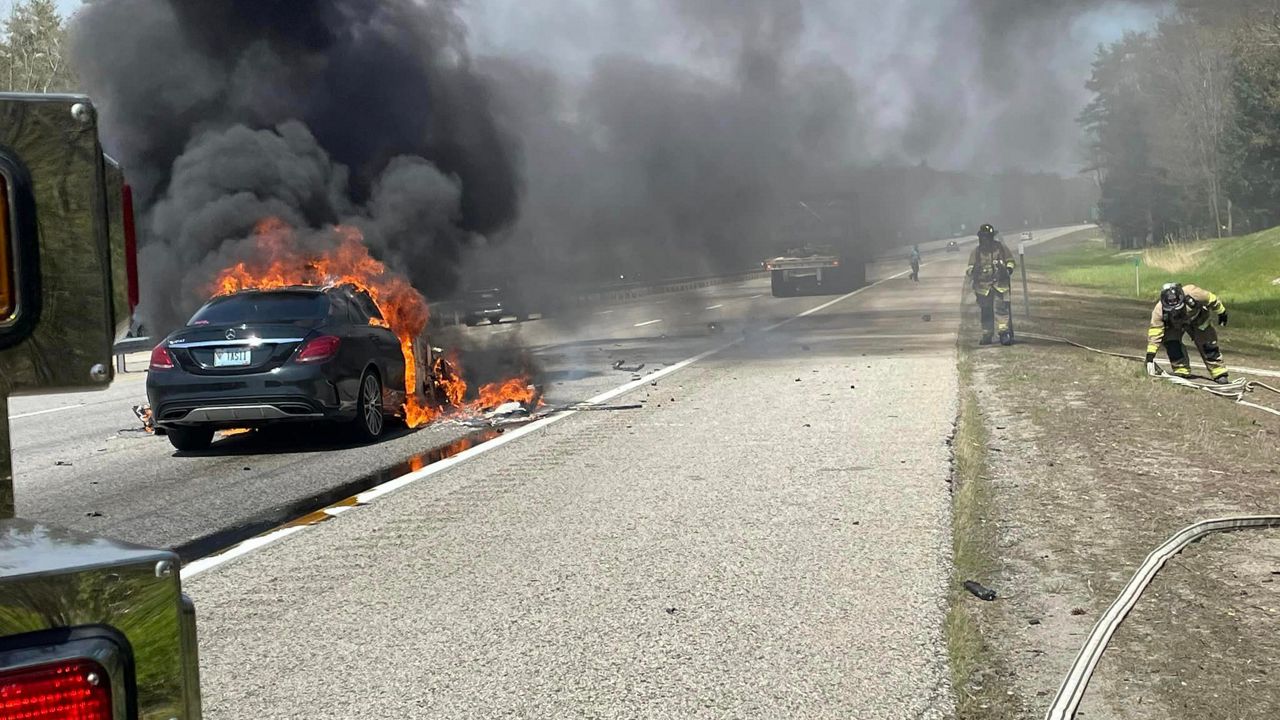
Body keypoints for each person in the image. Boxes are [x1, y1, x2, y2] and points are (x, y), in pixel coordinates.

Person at [1145, 282, 1230, 384]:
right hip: (1174, 326)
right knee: (1172, 343)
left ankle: (1219, 372)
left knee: (1208, 345)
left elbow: (1211, 299)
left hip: (1199, 320)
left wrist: (1222, 312)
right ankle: (1181, 369)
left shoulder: (1193, 293)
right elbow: (1155, 331)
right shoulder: (1159, 310)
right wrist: (1150, 354)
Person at [966, 224, 1016, 346]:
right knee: (986, 311)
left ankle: (1004, 333)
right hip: (983, 287)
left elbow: (1010, 261)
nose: (985, 240)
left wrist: (1008, 269)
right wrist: (973, 270)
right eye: (983, 237)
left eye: (987, 237)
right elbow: (969, 268)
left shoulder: (1001, 248)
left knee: (1001, 309)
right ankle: (987, 334)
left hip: (1000, 285)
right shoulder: (976, 252)